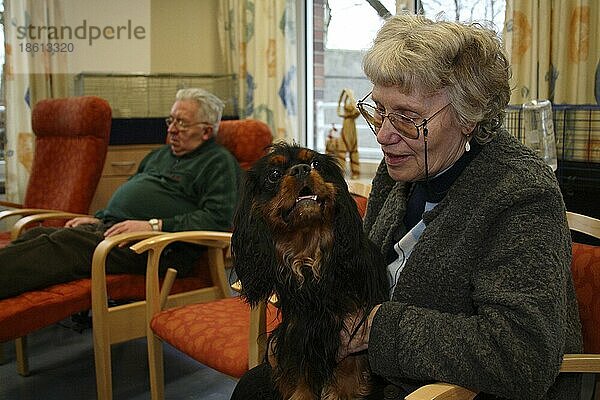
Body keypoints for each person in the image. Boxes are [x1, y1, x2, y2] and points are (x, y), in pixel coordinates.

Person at [231, 14, 582, 400]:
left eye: (407, 118)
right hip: (381, 373)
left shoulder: (521, 193)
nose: (383, 134)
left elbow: (521, 357)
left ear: (468, 116)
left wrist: (374, 328)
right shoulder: (403, 166)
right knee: (253, 387)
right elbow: (357, 274)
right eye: (379, 111)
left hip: (450, 391)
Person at [0, 88, 241, 299]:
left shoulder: (218, 162)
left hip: (159, 247)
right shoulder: (158, 155)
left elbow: (217, 220)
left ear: (207, 132)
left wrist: (155, 226)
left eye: (182, 123)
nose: (172, 129)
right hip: (117, 230)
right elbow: (130, 196)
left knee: (62, 245)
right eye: (171, 120)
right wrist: (99, 217)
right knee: (42, 234)